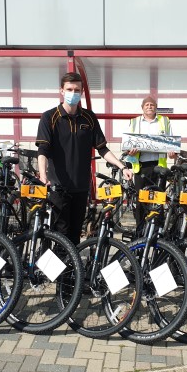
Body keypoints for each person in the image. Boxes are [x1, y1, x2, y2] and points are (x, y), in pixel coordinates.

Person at [36, 72, 133, 246]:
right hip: (58, 186)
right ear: (61, 91)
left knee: (74, 234)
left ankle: (73, 272)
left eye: (76, 90)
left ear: (81, 92)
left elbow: (102, 148)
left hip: (81, 187)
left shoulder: (89, 117)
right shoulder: (49, 117)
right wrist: (43, 175)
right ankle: (60, 273)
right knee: (60, 234)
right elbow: (43, 149)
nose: (73, 93)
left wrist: (122, 166)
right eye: (69, 89)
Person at [126, 95, 176, 235]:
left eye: (152, 104)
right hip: (140, 165)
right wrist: (130, 150)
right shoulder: (134, 122)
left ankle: (157, 231)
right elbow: (127, 143)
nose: (149, 106)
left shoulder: (164, 121)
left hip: (158, 166)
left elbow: (170, 143)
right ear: (142, 108)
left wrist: (172, 152)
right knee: (141, 199)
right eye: (146, 105)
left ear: (156, 107)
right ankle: (140, 230)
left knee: (158, 198)